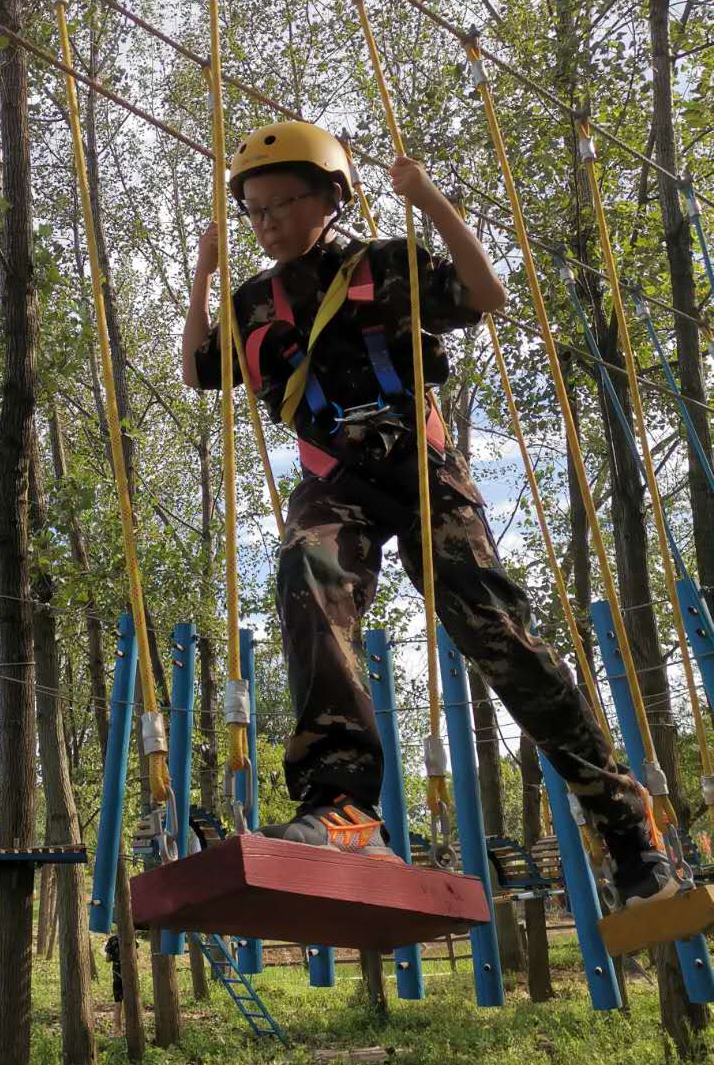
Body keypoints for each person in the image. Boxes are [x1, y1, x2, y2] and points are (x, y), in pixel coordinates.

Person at [180, 119, 676, 909]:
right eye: (253, 209)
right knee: (309, 575)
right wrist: (206, 277)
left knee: (494, 630)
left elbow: (485, 294)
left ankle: (624, 823)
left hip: (418, 462)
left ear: (332, 199)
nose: (266, 221)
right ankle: (341, 805)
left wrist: (430, 199)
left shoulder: (384, 265)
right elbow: (201, 369)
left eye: (283, 202)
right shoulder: (254, 302)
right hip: (334, 472)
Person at [104, 932, 123, 1033]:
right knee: (131, 1003)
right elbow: (135, 956)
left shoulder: (112, 940)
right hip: (129, 976)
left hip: (117, 975)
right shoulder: (130, 937)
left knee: (118, 1003)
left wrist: (114, 958)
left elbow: (107, 959)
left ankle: (118, 1030)